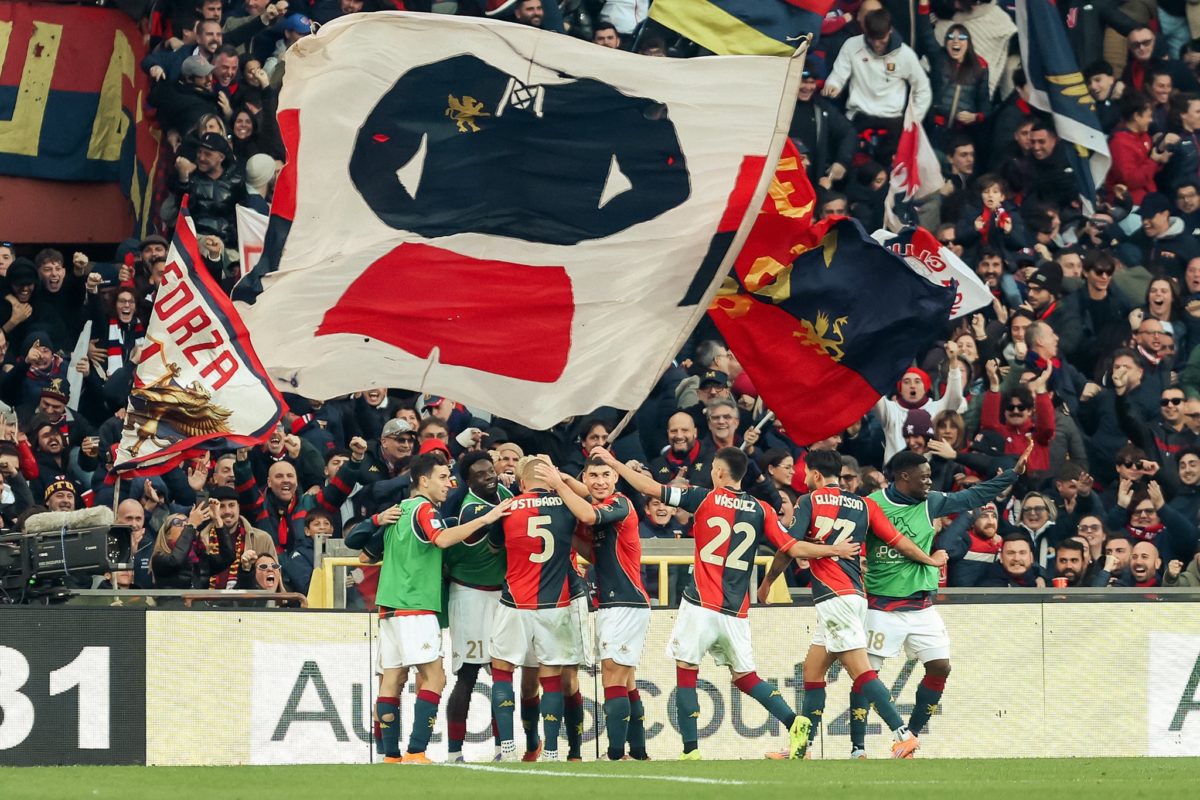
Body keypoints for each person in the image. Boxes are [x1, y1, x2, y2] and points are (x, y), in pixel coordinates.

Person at [592, 445, 858, 760]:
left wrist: (614, 463)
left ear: (718, 471)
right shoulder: (762, 509)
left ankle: (691, 751)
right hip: (735, 610)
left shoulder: (703, 497)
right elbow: (793, 548)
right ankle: (793, 721)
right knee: (746, 677)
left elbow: (650, 488)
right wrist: (834, 550)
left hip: (700, 604)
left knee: (686, 671)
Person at [850, 440, 1033, 759]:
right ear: (904, 477)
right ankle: (858, 748)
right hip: (881, 605)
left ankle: (909, 740)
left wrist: (1012, 475)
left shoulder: (931, 502)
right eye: (923, 477)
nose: (929, 481)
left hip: (922, 605)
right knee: (866, 677)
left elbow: (972, 496)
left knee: (940, 667)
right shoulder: (871, 505)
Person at [758, 449, 945, 759]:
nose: (804, 479)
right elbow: (899, 541)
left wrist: (767, 582)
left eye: (806, 474)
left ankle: (903, 735)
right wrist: (930, 560)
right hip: (854, 595)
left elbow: (789, 547)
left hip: (835, 597)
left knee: (861, 671)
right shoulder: (865, 504)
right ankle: (800, 747)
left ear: (816, 475)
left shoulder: (810, 500)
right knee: (812, 671)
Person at [374, 451, 511, 764]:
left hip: (389, 607)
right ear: (423, 481)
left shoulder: (397, 512)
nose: (448, 483)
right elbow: (442, 539)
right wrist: (486, 518)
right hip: (416, 605)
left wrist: (373, 520)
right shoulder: (425, 509)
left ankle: (390, 756)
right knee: (436, 679)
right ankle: (416, 751)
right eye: (442, 477)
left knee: (392, 680)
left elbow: (366, 554)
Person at [538, 455, 651, 761]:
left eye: (606, 475)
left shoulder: (620, 503)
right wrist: (568, 531)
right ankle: (638, 753)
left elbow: (587, 514)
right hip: (615, 603)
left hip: (625, 602)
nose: (600, 481)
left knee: (612, 676)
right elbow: (592, 551)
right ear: (586, 479)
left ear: (615, 478)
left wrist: (559, 483)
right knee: (626, 679)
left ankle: (614, 755)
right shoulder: (604, 509)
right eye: (594, 476)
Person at [488, 455, 584, 762]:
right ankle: (552, 751)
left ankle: (506, 748)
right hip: (556, 603)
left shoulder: (507, 508)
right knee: (552, 676)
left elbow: (494, 546)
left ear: (521, 483)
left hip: (514, 602)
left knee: (502, 671)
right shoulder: (568, 507)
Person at [443, 450, 514, 763]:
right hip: (469, 594)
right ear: (468, 482)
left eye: (491, 471)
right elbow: (502, 523)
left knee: (502, 672)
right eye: (480, 475)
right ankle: (454, 751)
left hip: (500, 595)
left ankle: (503, 747)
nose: (489, 478)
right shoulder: (472, 509)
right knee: (468, 675)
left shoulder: (503, 494)